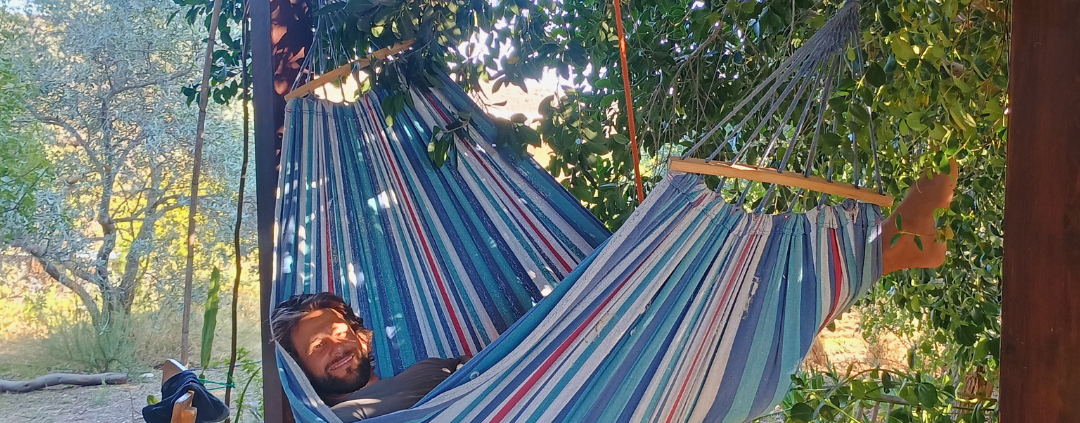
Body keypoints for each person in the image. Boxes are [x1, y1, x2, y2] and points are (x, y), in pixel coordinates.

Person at [271, 162, 958, 420]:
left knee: (671, 337)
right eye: (315, 348)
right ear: (301, 377)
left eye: (336, 332)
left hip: (541, 397)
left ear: (364, 334)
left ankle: (882, 248)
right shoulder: (336, 419)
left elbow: (514, 375)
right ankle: (880, 247)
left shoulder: (428, 372)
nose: (333, 347)